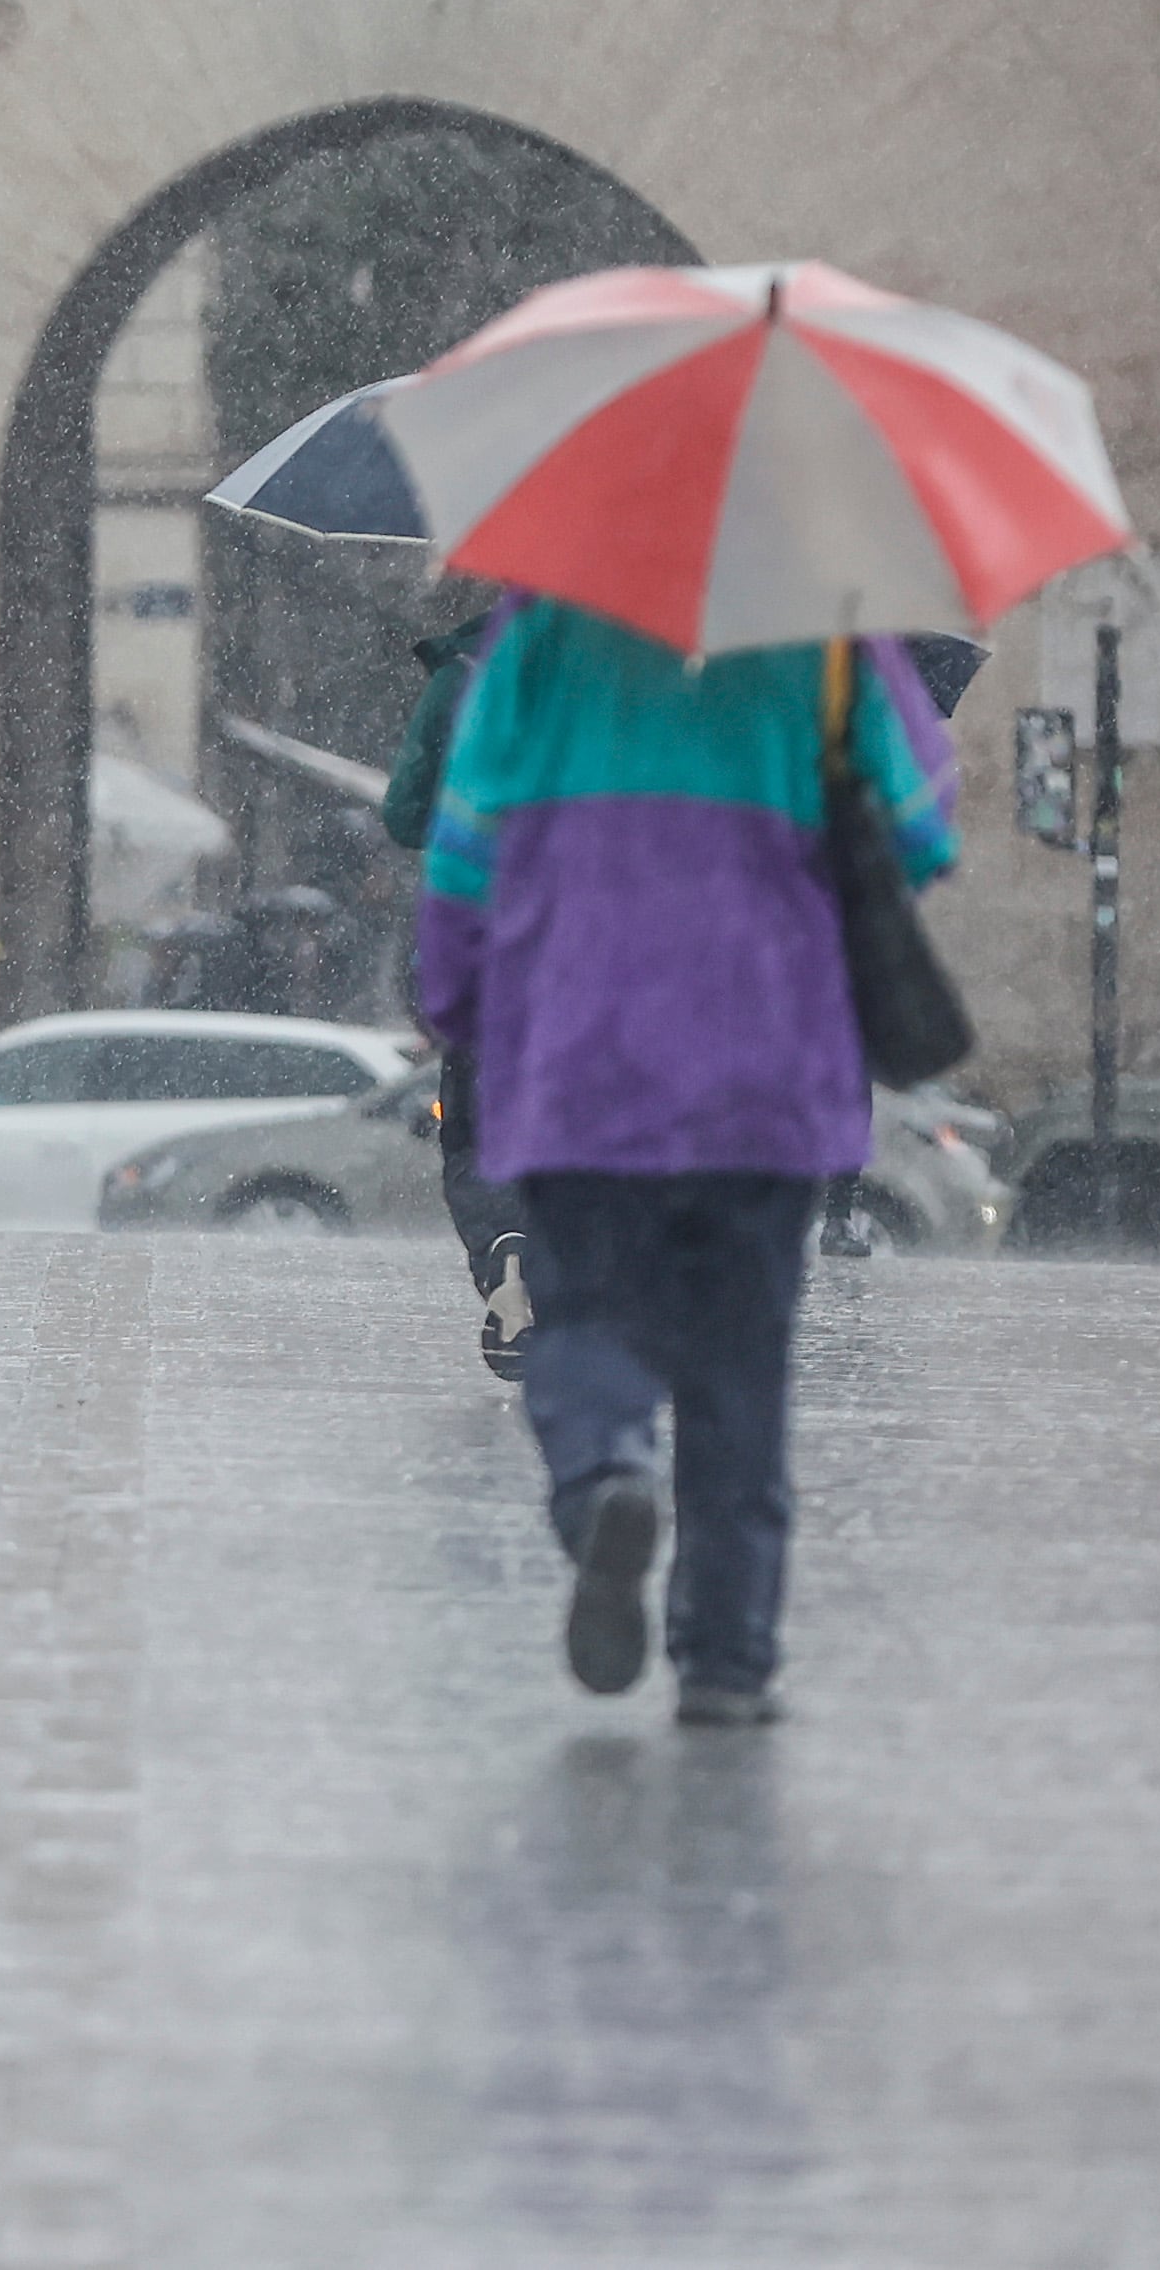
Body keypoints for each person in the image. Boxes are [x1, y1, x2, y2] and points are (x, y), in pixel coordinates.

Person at [420, 600, 957, 1725]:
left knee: (580, 1317)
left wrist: (453, 998)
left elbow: (462, 847)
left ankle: (603, 1477)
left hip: (580, 1052)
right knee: (738, 1365)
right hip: (761, 1061)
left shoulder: (536, 643)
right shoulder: (827, 642)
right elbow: (918, 829)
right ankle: (724, 1656)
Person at [381, 599, 537, 1379]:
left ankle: (504, 1254)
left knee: (473, 1131)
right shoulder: (637, 679)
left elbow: (403, 815)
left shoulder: (464, 676)